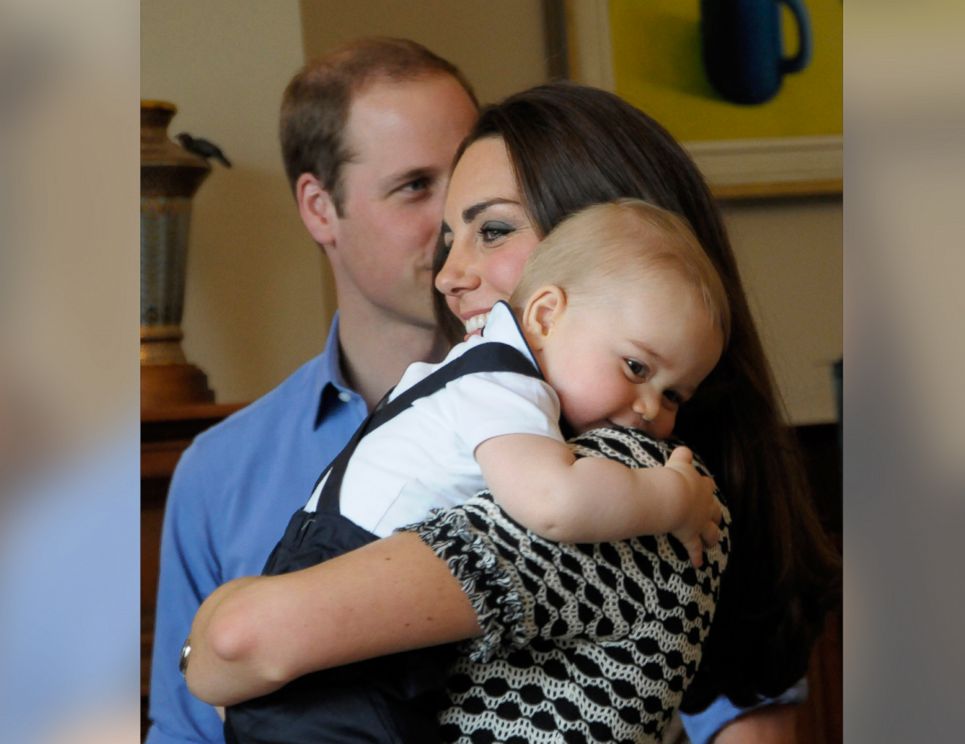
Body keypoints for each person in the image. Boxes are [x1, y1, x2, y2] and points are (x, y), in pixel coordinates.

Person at [184, 83, 839, 743]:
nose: (447, 274)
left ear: (607, 241)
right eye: (449, 234)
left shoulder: (623, 481)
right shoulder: (531, 425)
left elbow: (242, 640)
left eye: (492, 229)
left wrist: (213, 638)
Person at [218, 199, 730, 742]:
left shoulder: (476, 372)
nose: (650, 408)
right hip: (344, 626)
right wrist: (672, 499)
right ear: (546, 315)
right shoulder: (503, 385)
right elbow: (557, 502)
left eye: (673, 393)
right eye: (636, 367)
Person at [144, 37, 479, 744]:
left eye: (471, 176)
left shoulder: (577, 410)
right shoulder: (219, 473)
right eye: (416, 186)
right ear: (320, 209)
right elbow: (185, 733)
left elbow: (727, 703)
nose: (458, 221)